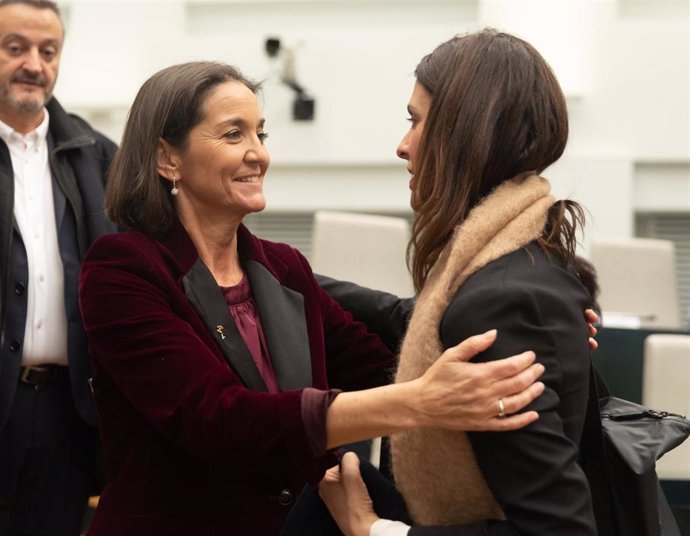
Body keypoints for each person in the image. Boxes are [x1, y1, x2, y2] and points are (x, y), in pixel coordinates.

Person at [77, 60, 549, 535]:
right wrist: (417, 402)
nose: (257, 154)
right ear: (167, 159)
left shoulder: (283, 267)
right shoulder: (123, 269)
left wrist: (529, 332)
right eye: (233, 134)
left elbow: (385, 364)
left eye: (261, 134)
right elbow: (219, 419)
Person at [316, 29, 597, 536]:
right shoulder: (522, 258)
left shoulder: (503, 300)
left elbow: (560, 530)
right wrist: (273, 273)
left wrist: (372, 530)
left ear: (465, 133)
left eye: (416, 121)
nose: (403, 146)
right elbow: (418, 320)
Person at [0, 1, 117, 534]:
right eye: (15, 48)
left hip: (64, 414)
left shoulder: (93, 156)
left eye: (48, 51)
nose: (34, 64)